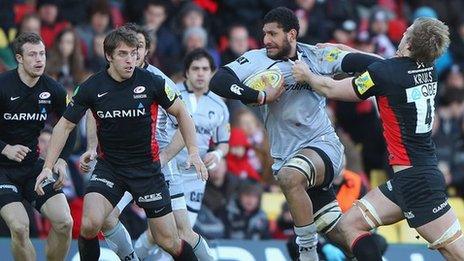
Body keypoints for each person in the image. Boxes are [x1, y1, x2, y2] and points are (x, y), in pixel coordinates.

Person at [209, 7, 379, 260]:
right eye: (264, 33)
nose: (266, 40)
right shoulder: (256, 59)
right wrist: (258, 96)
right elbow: (219, 80)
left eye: (273, 34)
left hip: (322, 146)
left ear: (292, 34)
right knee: (341, 233)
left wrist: (345, 49)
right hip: (285, 155)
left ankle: (306, 252)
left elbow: (372, 64)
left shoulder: (316, 56)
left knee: (290, 177)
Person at [293, 17, 464, 260]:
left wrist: (307, 75)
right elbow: (388, 69)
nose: (403, 33)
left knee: (456, 252)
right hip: (411, 178)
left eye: (408, 31)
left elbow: (333, 89)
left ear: (411, 43)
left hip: (418, 181)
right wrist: (349, 52)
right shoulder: (429, 69)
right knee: (349, 225)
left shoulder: (389, 73)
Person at [35, 26, 206, 261]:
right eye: (123, 54)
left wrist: (194, 152)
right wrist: (49, 165)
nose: (130, 60)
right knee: (88, 224)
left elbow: (182, 114)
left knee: (168, 240)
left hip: (146, 169)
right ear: (109, 56)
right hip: (110, 167)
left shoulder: (152, 82)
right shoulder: (91, 87)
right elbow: (64, 125)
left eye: (134, 53)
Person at [80, 23, 215, 261]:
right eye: (128, 49)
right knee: (104, 218)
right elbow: (94, 111)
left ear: (145, 51)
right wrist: (92, 146)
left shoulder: (157, 80)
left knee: (179, 231)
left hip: (158, 160)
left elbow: (186, 121)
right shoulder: (107, 80)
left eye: (138, 48)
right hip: (119, 163)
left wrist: (165, 158)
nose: (134, 54)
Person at [135, 48, 229, 260]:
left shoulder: (219, 106)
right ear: (186, 72)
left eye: (205, 69)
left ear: (212, 73)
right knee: (158, 232)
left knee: (184, 233)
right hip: (167, 169)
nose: (200, 73)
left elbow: (224, 143)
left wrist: (218, 155)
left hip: (195, 176)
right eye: (195, 68)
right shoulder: (169, 91)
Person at [0, 32, 73, 260]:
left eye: (42, 53)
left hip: (33, 167)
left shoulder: (54, 90)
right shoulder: (3, 85)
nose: (39, 59)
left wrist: (60, 161)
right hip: (2, 170)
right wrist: (5, 148)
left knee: (64, 222)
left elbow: (69, 126)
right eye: (32, 55)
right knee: (21, 227)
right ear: (19, 58)